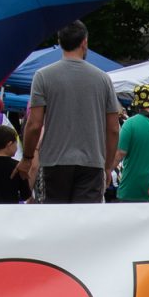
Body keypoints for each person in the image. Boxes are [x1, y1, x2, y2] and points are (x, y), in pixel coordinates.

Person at [22, 19, 121, 203]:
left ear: (60, 43)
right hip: (92, 163)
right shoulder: (103, 79)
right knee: (84, 225)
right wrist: (107, 167)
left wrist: (27, 157)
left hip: (53, 162)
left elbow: (34, 125)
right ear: (84, 42)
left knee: (54, 222)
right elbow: (113, 128)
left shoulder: (43, 76)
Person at [112, 82, 149, 202]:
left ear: (137, 104)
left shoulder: (130, 124)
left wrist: (107, 171)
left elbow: (120, 153)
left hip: (132, 187)